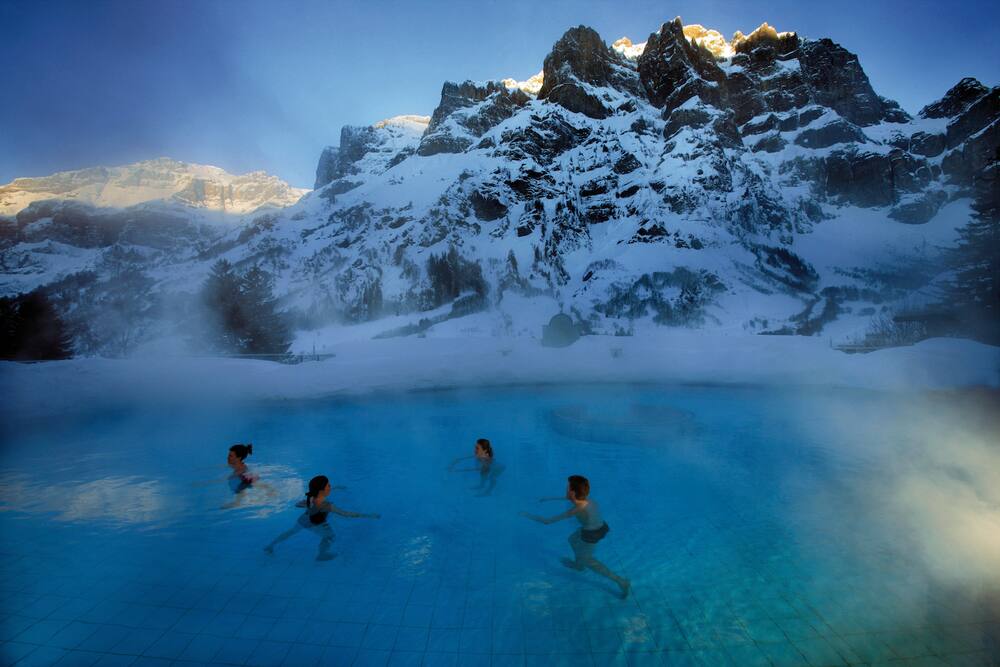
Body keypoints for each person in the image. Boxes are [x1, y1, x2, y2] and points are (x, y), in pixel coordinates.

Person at [520, 475, 630, 598]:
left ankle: (621, 581)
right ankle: (579, 564)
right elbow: (569, 498)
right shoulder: (588, 500)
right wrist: (549, 498)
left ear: (572, 493)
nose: (565, 489)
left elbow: (547, 521)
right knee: (572, 539)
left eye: (567, 488)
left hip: (591, 534)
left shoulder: (576, 509)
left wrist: (526, 514)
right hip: (600, 526)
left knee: (590, 562)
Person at [264, 475, 380, 561]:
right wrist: (369, 515)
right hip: (315, 523)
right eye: (329, 486)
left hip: (304, 519)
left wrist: (336, 488)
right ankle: (321, 555)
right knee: (330, 536)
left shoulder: (312, 496)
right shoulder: (326, 505)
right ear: (323, 489)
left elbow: (299, 504)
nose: (330, 487)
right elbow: (346, 514)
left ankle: (270, 546)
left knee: (291, 532)